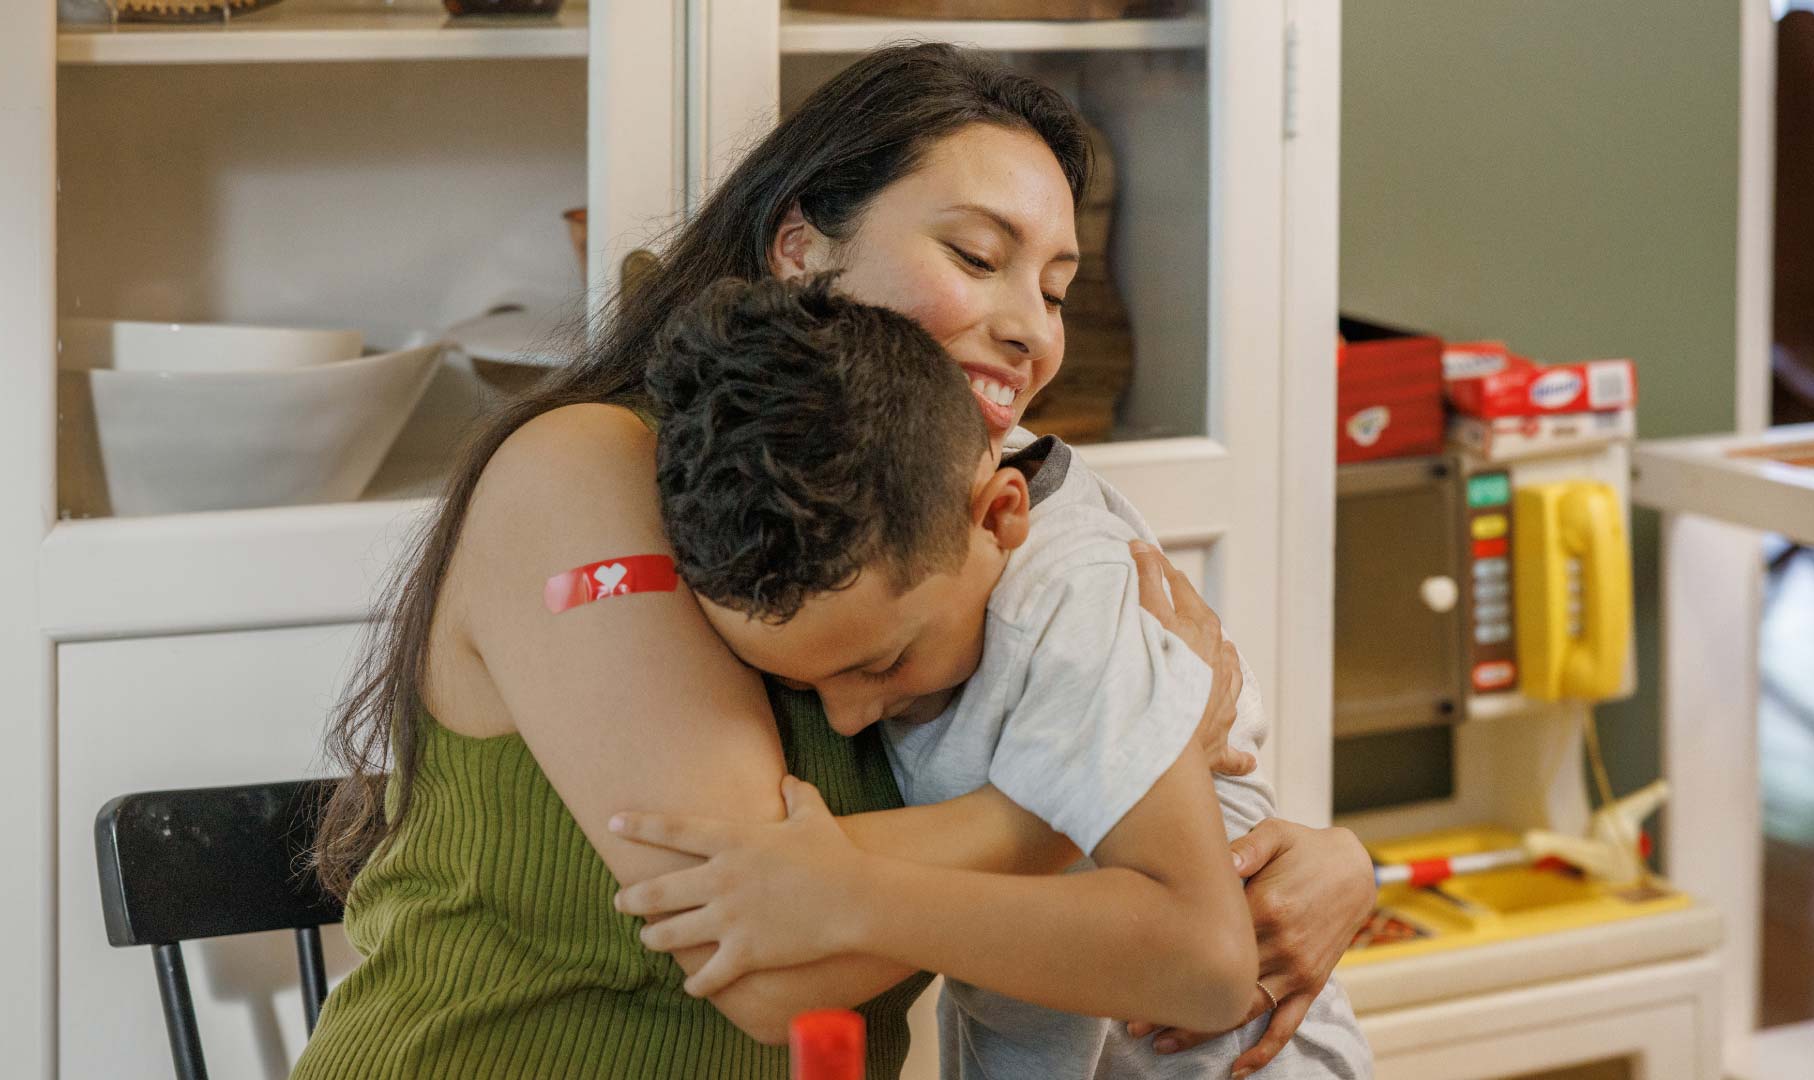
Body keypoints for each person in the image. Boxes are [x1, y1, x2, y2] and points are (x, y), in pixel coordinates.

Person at [294, 42, 1374, 1080]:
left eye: (1054, 289)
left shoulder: (982, 519)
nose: (1031, 333)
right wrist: (1110, 771)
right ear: (800, 247)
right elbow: (777, 967)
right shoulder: (592, 473)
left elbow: (1154, 882)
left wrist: (1324, 859)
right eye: (976, 257)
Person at [610, 274, 1370, 1079]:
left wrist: (853, 897)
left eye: (881, 664)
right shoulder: (893, 520)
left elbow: (1209, 967)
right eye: (805, 687)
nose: (845, 718)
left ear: (1001, 516)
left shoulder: (1066, 599)